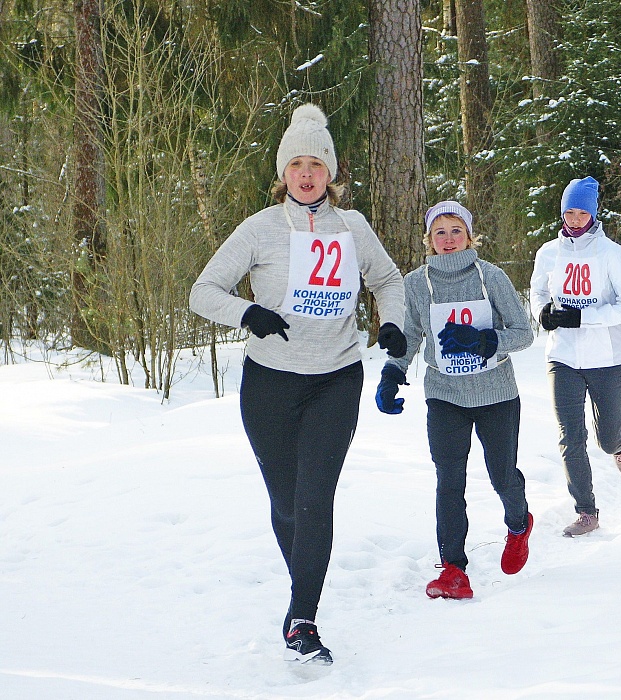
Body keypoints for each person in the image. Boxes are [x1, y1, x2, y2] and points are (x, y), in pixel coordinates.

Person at [189, 104, 406, 665]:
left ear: (330, 173)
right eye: (296, 165)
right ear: (283, 171)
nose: (306, 174)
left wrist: (391, 323)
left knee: (314, 501)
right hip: (270, 385)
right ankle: (302, 591)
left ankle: (303, 618)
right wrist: (248, 314)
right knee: (286, 505)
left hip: (336, 379)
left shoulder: (353, 227)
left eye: (316, 164)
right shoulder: (259, 228)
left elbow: (388, 279)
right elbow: (202, 292)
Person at [376, 201, 535, 599]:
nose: (448, 240)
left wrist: (486, 340)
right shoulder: (416, 283)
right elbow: (409, 335)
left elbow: (524, 332)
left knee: (502, 476)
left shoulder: (490, 276)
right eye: (440, 232)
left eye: (456, 231)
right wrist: (392, 373)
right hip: (445, 394)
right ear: (429, 239)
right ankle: (453, 570)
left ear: (469, 236)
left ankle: (519, 525)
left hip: (496, 393)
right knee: (449, 479)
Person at [530, 176, 621, 537]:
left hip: (607, 358)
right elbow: (536, 292)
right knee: (570, 436)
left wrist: (583, 317)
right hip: (562, 357)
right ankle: (586, 511)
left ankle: (619, 444)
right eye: (570, 213)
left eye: (582, 213)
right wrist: (542, 313)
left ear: (593, 214)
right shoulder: (548, 252)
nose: (576, 220)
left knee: (606, 438)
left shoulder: (613, 254)